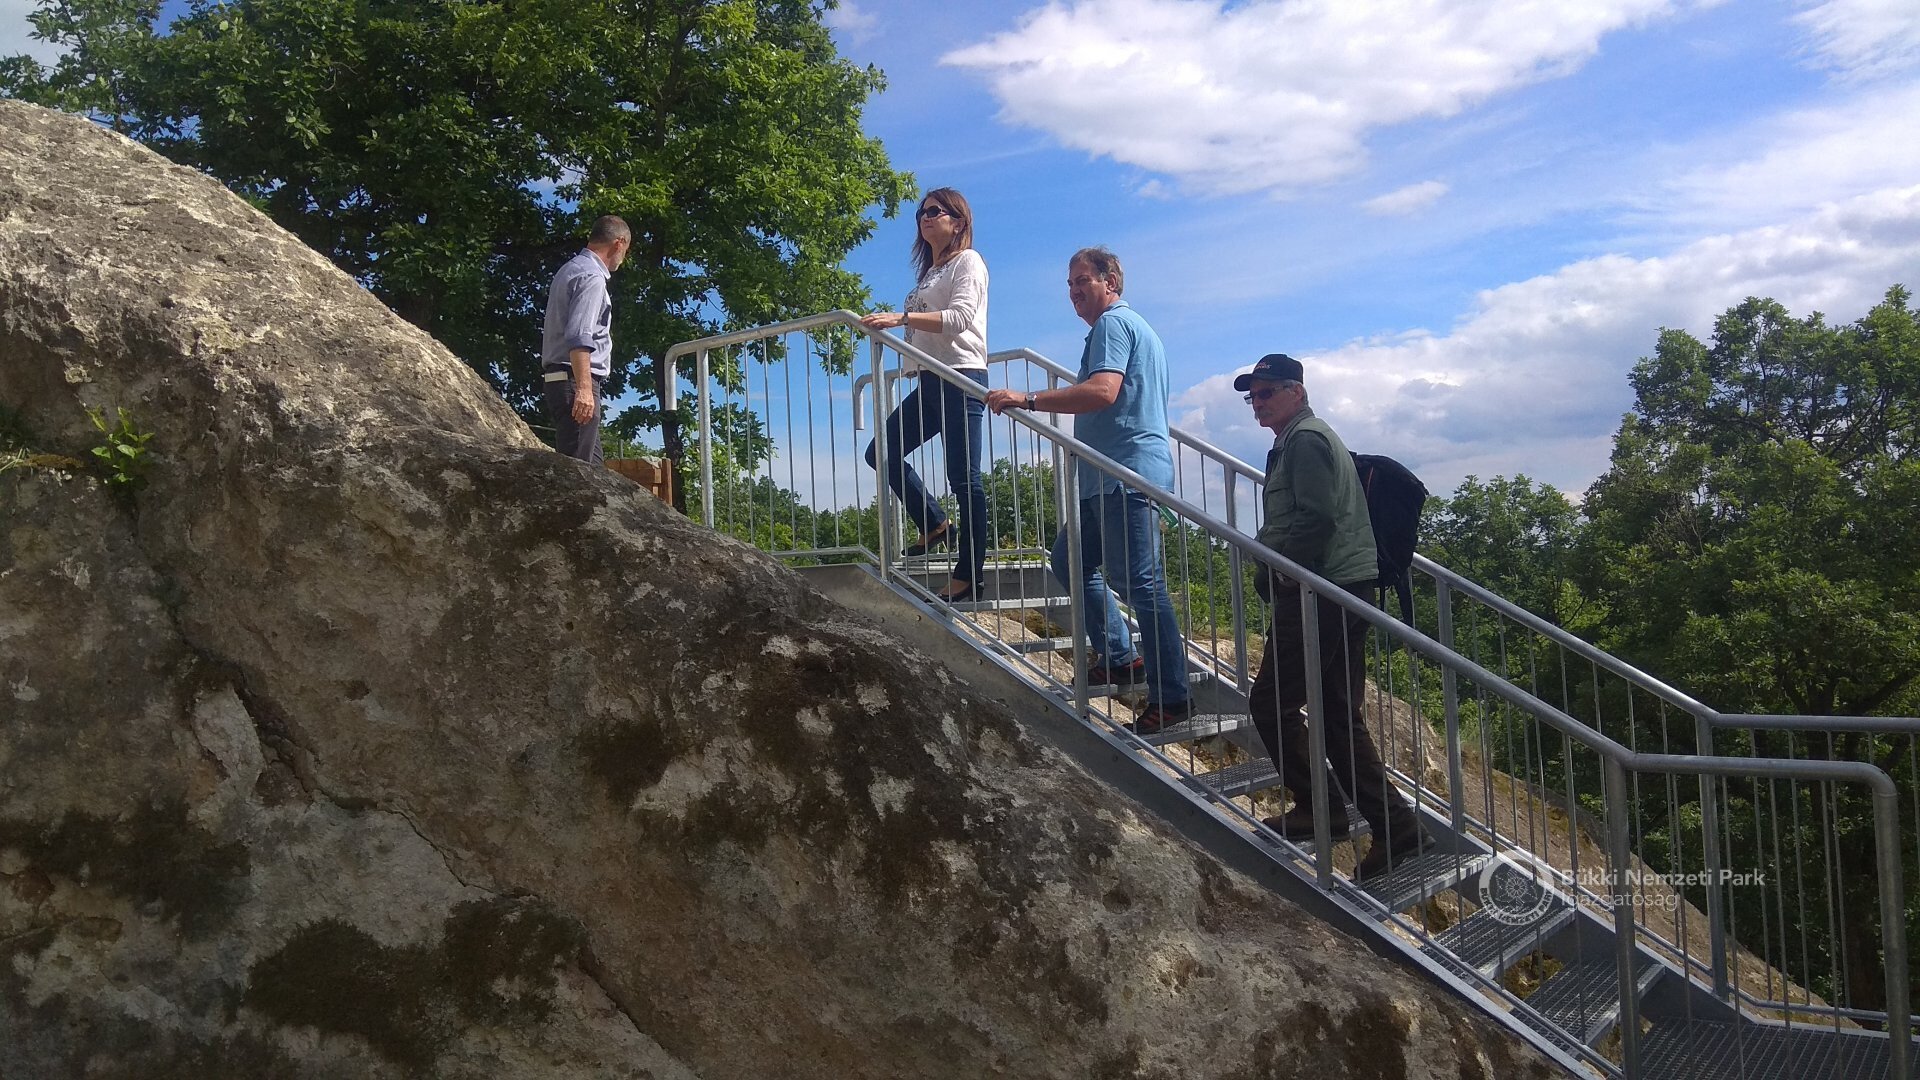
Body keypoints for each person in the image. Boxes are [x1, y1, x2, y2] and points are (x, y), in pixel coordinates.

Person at [1236, 352, 1429, 881]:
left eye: (1268, 391)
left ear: (1296, 392)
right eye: (1253, 396)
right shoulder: (1297, 441)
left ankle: (1317, 808)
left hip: (1321, 591)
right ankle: (1397, 828)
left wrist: (1279, 570)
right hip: (1341, 588)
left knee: (1272, 702)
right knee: (1337, 715)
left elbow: (1316, 518)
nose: (1258, 402)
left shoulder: (1307, 440)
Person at [985, 248, 1190, 732]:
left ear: (1110, 281)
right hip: (1107, 477)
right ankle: (1120, 655)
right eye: (1070, 284)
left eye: (1083, 281)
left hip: (1126, 476)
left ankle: (1173, 697)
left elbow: (1103, 391)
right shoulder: (1129, 327)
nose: (1074, 291)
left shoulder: (1113, 325)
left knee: (1142, 586)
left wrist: (1028, 398)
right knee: (1069, 560)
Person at [859, 188, 990, 602]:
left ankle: (969, 574)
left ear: (959, 221)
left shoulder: (968, 261)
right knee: (881, 452)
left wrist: (901, 318)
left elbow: (960, 318)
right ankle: (934, 523)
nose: (925, 217)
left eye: (936, 211)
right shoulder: (932, 271)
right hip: (931, 380)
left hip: (961, 376)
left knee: (964, 478)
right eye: (921, 212)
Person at [540, 215, 630, 463]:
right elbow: (579, 334)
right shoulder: (592, 276)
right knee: (577, 474)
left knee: (594, 472)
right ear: (619, 243)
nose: (623, 258)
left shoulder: (570, 269)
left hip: (562, 380)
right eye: (626, 251)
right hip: (575, 381)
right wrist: (584, 389)